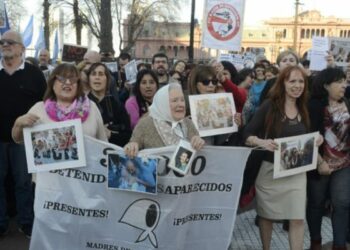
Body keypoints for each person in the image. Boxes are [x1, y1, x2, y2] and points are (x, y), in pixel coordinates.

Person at [243, 65, 322, 250]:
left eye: (301, 81)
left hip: (296, 173)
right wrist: (262, 142)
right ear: (283, 83)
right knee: (267, 216)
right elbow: (247, 134)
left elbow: (311, 134)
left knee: (297, 217)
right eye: (292, 81)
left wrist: (317, 139)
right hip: (270, 172)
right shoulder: (269, 106)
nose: (297, 85)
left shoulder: (305, 107)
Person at [0, 30, 47, 238]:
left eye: (10, 42)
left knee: (24, 182)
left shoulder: (34, 74)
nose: (4, 45)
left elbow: (46, 105)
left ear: (21, 48)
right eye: (2, 42)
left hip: (25, 140)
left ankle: (26, 222)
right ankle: (0, 223)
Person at [307, 67, 350, 250]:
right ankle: (315, 242)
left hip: (344, 163)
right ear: (326, 85)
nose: (344, 85)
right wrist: (319, 162)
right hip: (320, 163)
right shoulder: (314, 106)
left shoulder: (348, 102)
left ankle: (339, 245)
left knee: (342, 203)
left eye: (345, 81)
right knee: (316, 204)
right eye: (339, 82)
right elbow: (307, 135)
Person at [12, 63, 107, 143]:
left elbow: (103, 142)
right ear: (52, 83)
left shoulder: (91, 107)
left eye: (73, 79)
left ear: (78, 85)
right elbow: (18, 140)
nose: (68, 82)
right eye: (62, 78)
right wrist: (18, 124)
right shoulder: (38, 109)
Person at [124, 82, 204, 157]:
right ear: (162, 103)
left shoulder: (188, 123)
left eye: (182, 100)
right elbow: (133, 144)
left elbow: (199, 148)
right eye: (174, 100)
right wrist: (132, 145)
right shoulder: (145, 124)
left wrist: (198, 141)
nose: (180, 104)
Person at [86, 63, 131, 146]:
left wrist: (110, 134)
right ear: (88, 79)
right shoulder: (80, 105)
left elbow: (128, 136)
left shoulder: (116, 105)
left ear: (107, 79)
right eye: (93, 74)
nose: (97, 77)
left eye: (101, 74)